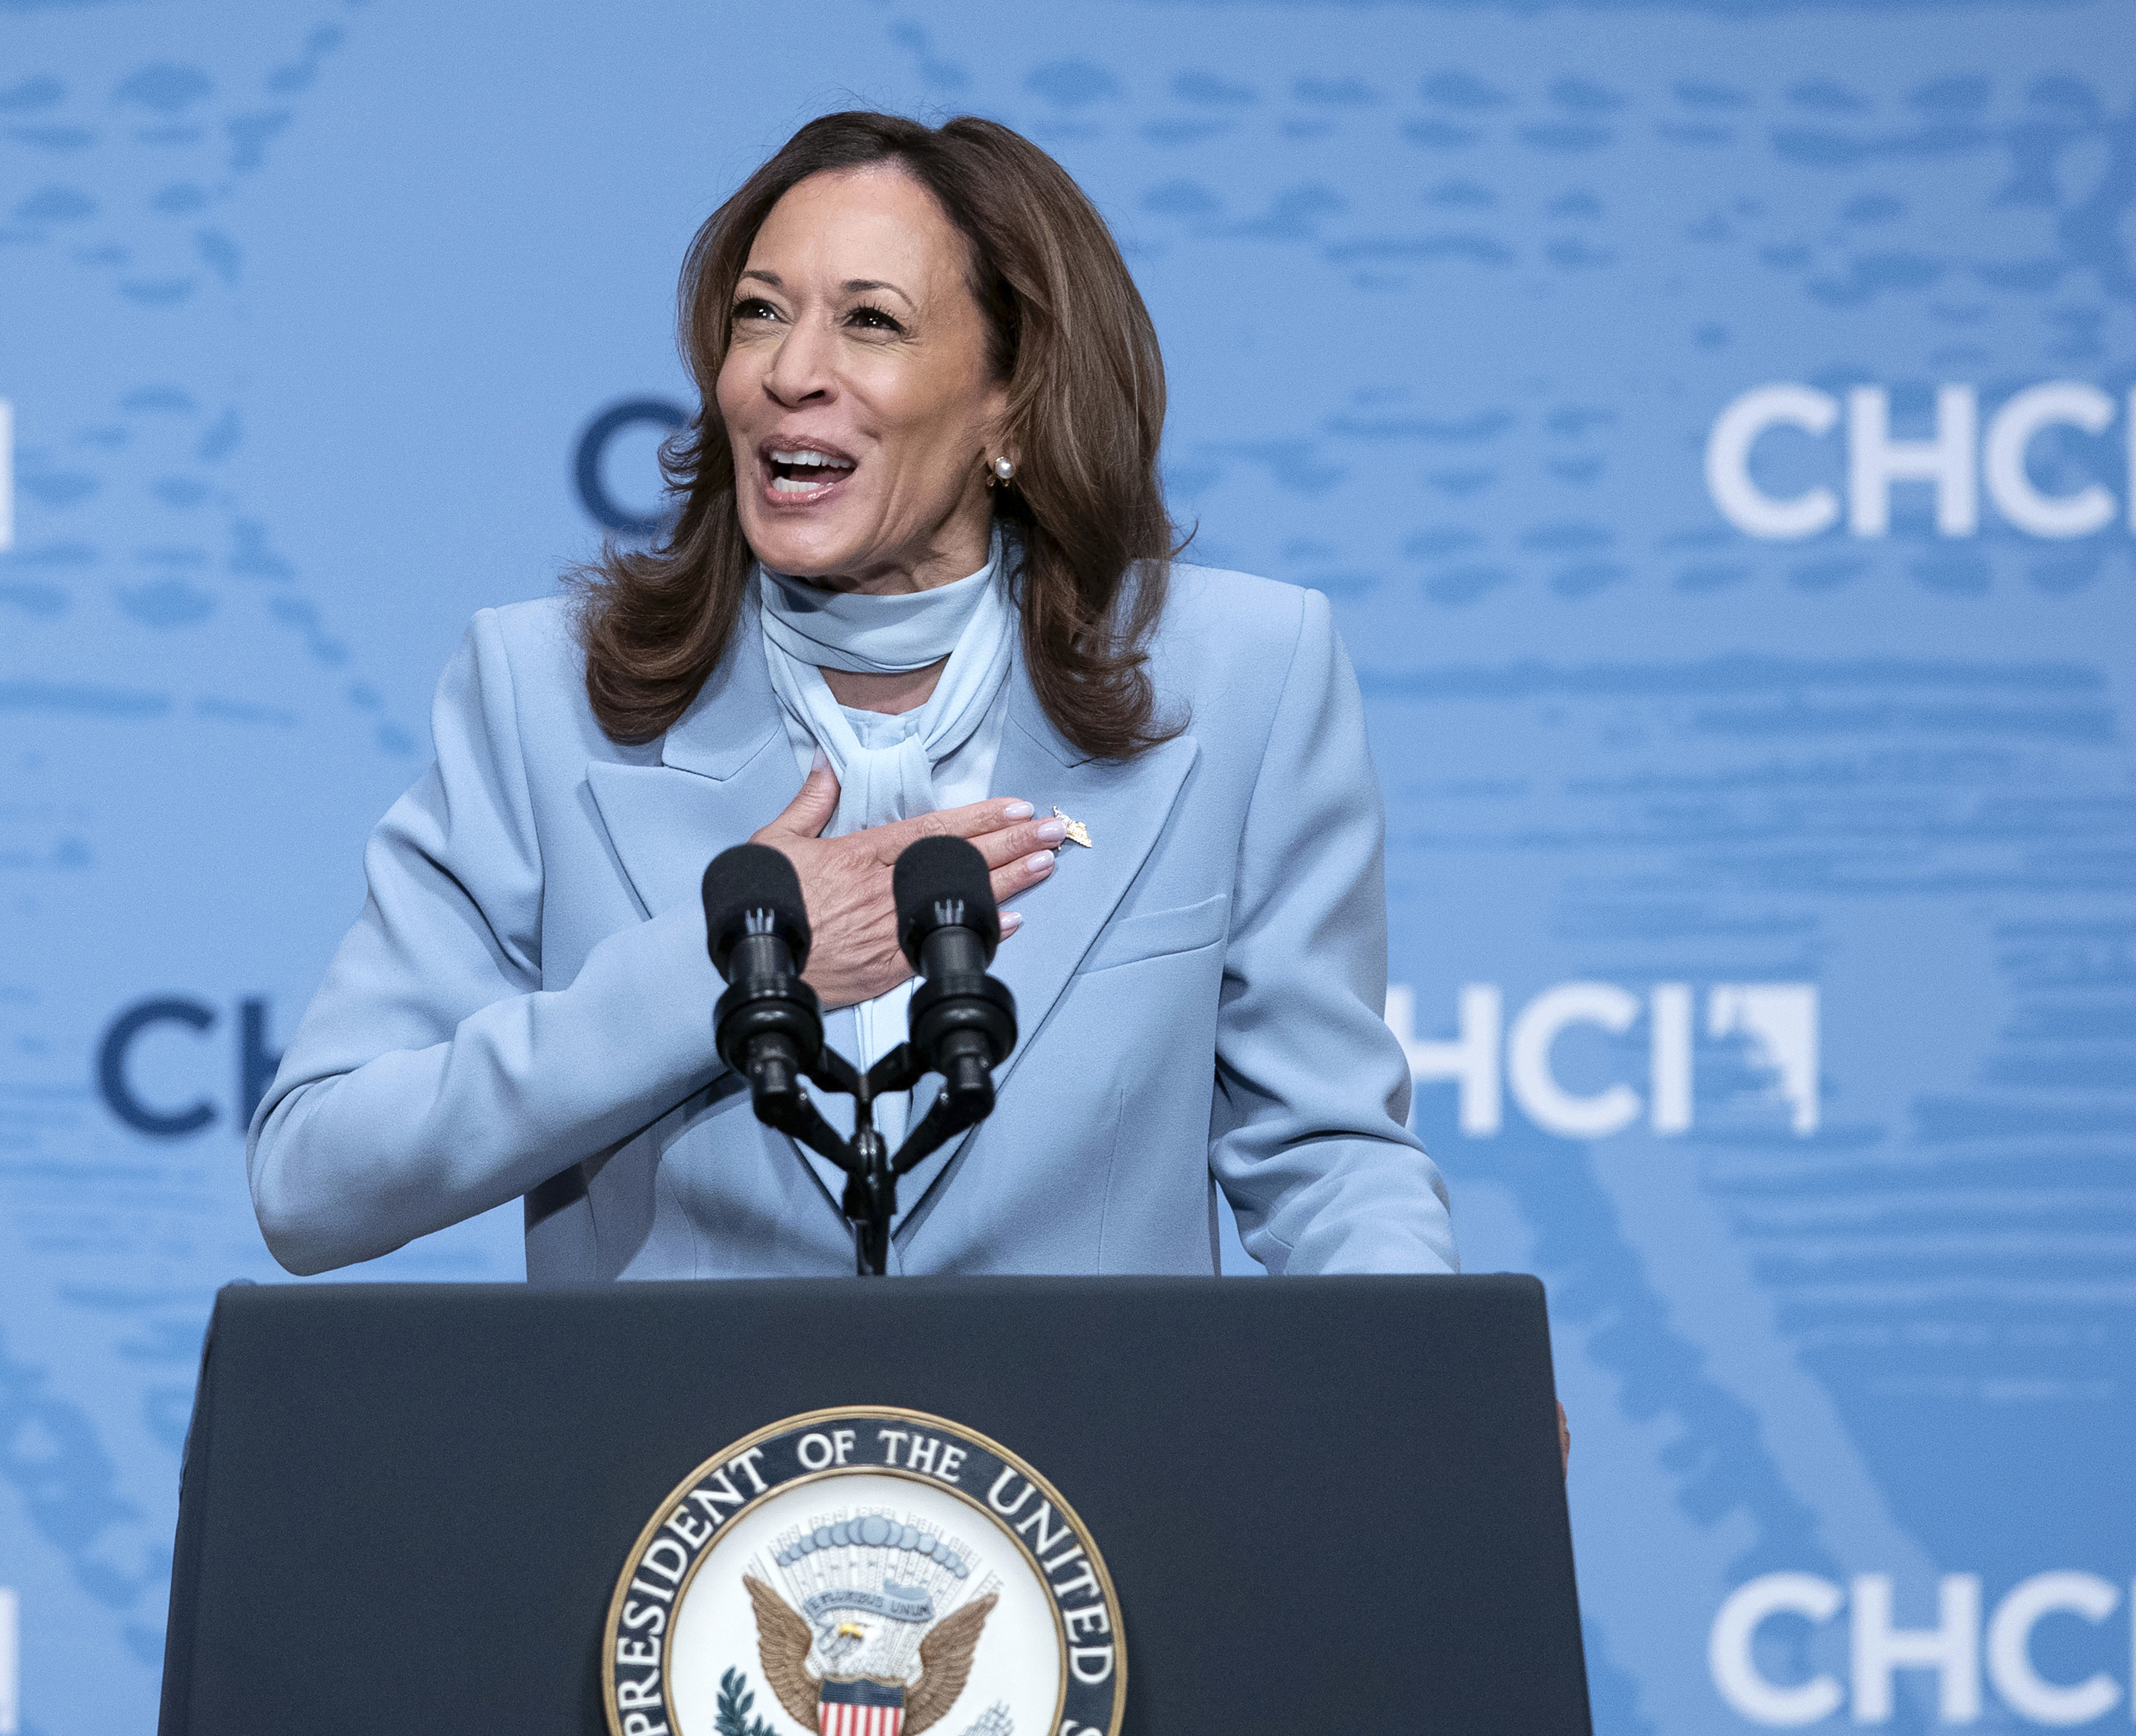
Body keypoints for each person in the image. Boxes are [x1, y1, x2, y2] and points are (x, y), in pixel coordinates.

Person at [248, 112, 1458, 1284]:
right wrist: (711, 981)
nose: (789, 372)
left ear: (1014, 405)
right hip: (674, 1481)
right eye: (759, 315)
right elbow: (316, 1173)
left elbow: (1327, 1155)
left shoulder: (1240, 677)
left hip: (1090, 1481)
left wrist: (1436, 1378)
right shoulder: (541, 695)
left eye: (870, 323)